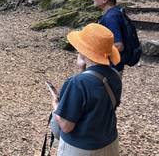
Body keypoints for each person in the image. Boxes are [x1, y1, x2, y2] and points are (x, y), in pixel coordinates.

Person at [50, 23, 122, 155]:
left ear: (84, 51)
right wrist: (83, 70)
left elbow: (66, 126)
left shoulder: (77, 83)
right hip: (109, 143)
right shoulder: (115, 76)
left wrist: (56, 105)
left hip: (81, 149)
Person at [88, 0, 126, 76]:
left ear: (105, 0)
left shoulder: (111, 18)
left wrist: (96, 51)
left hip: (110, 68)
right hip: (111, 66)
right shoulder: (115, 12)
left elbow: (119, 46)